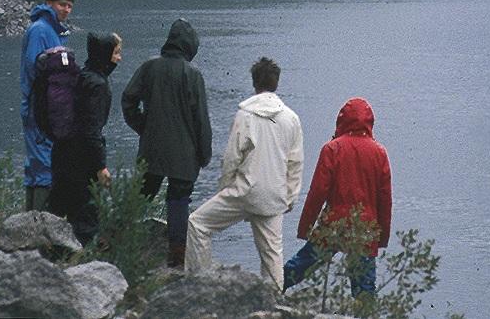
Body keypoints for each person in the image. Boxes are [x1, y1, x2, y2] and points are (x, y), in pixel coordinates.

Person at [185, 56, 304, 290]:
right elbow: (295, 163)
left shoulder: (245, 115)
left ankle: (200, 283)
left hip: (244, 192)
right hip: (273, 196)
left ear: (254, 83)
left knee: (198, 224)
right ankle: (274, 305)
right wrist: (289, 198)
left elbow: (232, 157)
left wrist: (225, 188)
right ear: (276, 83)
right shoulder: (291, 119)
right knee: (272, 259)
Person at [120, 18, 211, 268]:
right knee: (179, 201)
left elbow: (128, 99)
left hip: (152, 149)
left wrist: (143, 127)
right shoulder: (193, 75)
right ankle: (176, 258)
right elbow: (201, 120)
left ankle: (118, 241)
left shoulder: (150, 67)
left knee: (141, 196)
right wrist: (204, 155)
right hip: (185, 155)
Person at [282, 97, 392, 301]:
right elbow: (384, 200)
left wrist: (305, 228)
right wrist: (382, 237)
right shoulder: (379, 152)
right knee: (364, 289)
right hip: (364, 229)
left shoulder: (332, 149)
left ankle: (272, 289)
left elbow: (317, 193)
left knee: (302, 264)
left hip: (334, 224)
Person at [47, 32, 122, 244]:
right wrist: (100, 166)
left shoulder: (81, 75)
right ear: (105, 54)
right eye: (116, 53)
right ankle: (81, 268)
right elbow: (92, 130)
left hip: (62, 154)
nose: (119, 58)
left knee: (57, 212)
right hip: (82, 163)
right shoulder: (98, 85)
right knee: (86, 220)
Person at [19, 0, 74, 211]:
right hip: (40, 108)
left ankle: (26, 222)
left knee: (35, 166)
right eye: (62, 4)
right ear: (49, 3)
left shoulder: (52, 31)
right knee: (43, 165)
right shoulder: (41, 30)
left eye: (70, 6)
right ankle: (38, 226)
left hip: (46, 108)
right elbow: (35, 68)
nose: (67, 9)